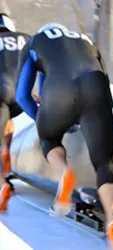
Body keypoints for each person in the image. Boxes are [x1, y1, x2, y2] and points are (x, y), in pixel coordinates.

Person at [15, 23, 113, 250]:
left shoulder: (35, 40)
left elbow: (22, 96)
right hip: (96, 87)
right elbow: (103, 78)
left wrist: (43, 120)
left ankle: (65, 172)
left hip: (58, 91)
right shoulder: (86, 40)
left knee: (49, 138)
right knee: (105, 162)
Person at [0, 13, 30, 212]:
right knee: (7, 122)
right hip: (22, 95)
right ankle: (7, 159)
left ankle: (2, 183)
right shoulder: (25, 37)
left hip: (1, 92)